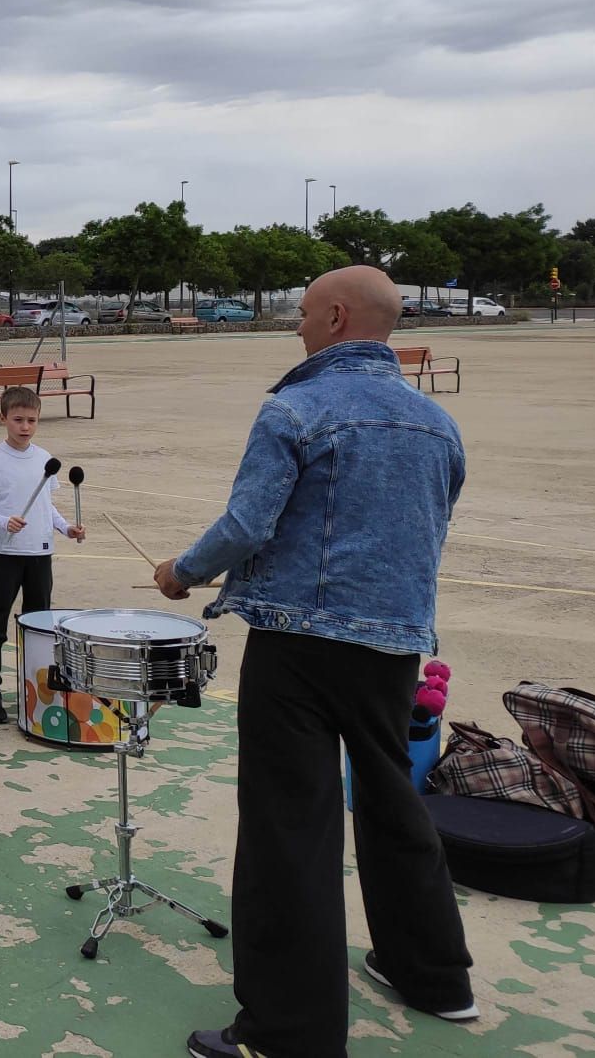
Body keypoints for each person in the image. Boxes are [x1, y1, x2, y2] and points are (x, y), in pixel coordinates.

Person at [154, 266, 475, 1058]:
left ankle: (287, 1031)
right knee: (393, 801)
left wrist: (183, 572)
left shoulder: (295, 407)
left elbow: (248, 522)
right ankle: (436, 976)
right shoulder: (438, 424)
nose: (296, 326)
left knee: (288, 826)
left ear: (335, 316)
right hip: (395, 642)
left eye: (301, 314)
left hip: (299, 645)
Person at [0, 386, 84, 724]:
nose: (25, 427)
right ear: (3, 418)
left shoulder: (44, 459)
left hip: (39, 553)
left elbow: (48, 508)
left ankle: (36, 685)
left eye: (31, 420)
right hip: (3, 554)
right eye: (18, 419)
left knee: (38, 623)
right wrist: (4, 521)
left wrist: (67, 528)